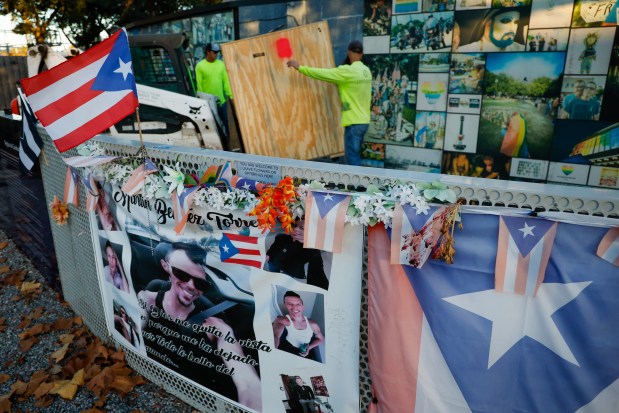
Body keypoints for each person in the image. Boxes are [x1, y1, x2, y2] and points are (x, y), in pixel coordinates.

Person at [138, 242, 261, 411]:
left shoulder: (215, 326)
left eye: (200, 283)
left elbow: (247, 380)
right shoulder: (147, 299)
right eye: (181, 274)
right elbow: (134, 328)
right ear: (166, 268)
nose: (191, 285)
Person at [287, 40, 372, 165]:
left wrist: (300, 68)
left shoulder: (347, 71)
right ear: (362, 54)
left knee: (352, 158)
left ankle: (356, 184)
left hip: (354, 122)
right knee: (356, 155)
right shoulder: (366, 72)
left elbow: (323, 74)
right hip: (364, 121)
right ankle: (358, 183)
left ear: (349, 52)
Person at [266, 221, 329, 290]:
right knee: (273, 272)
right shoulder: (281, 237)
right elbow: (273, 247)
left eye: (302, 228)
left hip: (289, 271)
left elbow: (318, 277)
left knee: (286, 278)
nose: (295, 229)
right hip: (273, 262)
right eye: (294, 225)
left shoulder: (312, 251)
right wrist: (269, 254)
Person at [195, 43, 234, 149]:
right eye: (214, 52)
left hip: (221, 101)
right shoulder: (200, 66)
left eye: (218, 52)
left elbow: (226, 82)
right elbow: (199, 85)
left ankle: (227, 145)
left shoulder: (221, 64)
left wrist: (230, 96)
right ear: (208, 52)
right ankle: (215, 146)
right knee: (212, 126)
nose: (216, 54)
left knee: (225, 123)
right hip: (208, 102)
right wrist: (202, 101)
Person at [272, 291, 325, 361]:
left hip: (304, 350)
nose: (294, 308)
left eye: (298, 304)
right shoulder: (282, 320)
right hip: (287, 347)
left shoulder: (312, 324)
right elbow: (275, 336)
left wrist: (309, 348)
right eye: (290, 304)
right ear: (285, 305)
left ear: (302, 307)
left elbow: (321, 339)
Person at [457, 9, 525, 52]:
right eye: (506, 21)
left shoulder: (522, 49)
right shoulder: (463, 51)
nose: (512, 28)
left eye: (516, 22)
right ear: (488, 24)